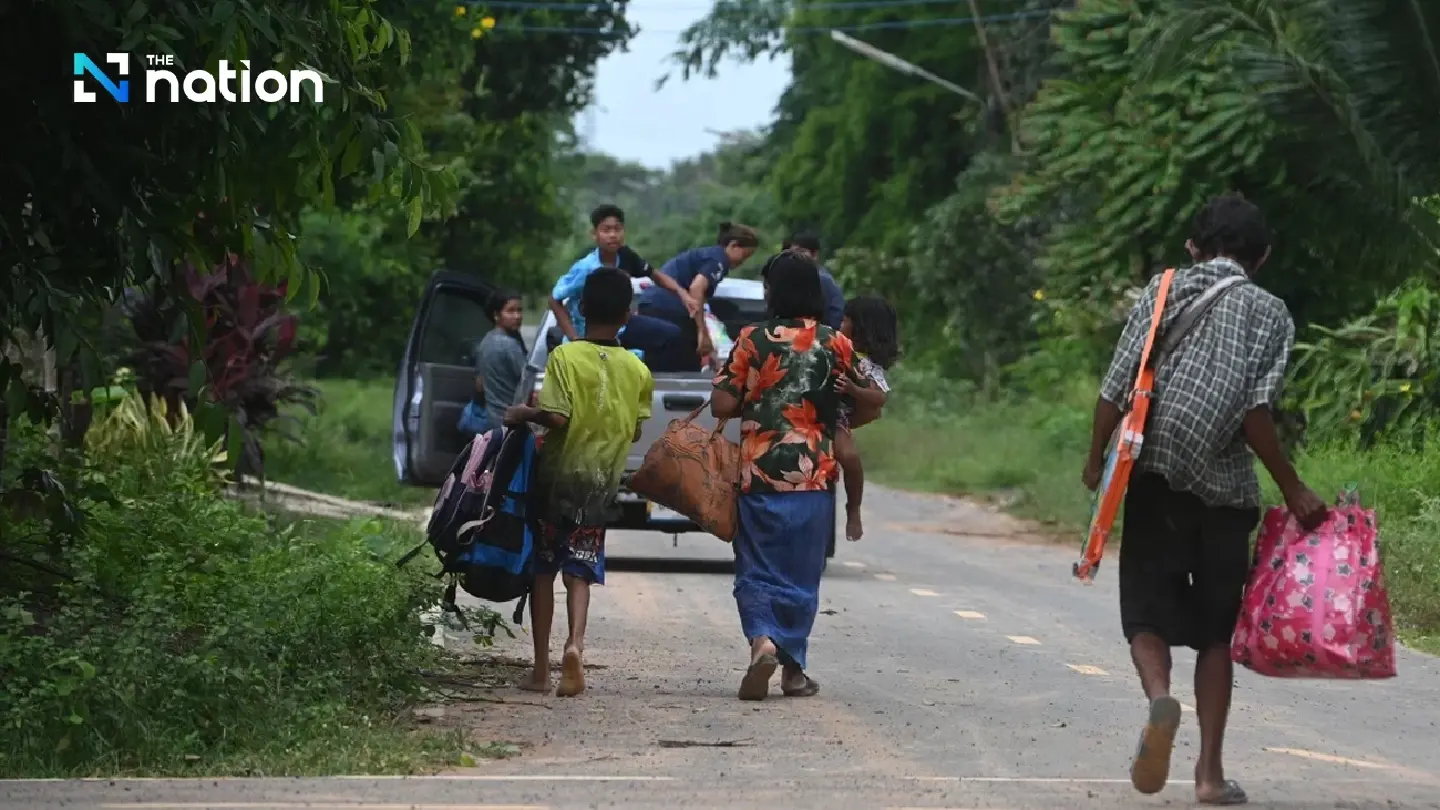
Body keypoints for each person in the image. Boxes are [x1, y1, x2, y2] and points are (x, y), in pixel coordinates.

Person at [1082, 194, 1327, 806]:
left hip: (1154, 479)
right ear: (1262, 257)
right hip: (1226, 495)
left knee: (1144, 613)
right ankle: (1209, 776)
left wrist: (1095, 462)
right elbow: (1255, 415)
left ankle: (1160, 697)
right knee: (1217, 633)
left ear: (1194, 247)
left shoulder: (1163, 291)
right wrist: (1292, 487)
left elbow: (1117, 386)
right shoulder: (1272, 314)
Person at [711, 250, 860, 702]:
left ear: (773, 291)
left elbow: (720, 405)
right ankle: (794, 673)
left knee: (757, 568)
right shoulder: (837, 343)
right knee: (801, 575)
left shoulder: (751, 340)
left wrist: (755, 402)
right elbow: (853, 402)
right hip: (814, 476)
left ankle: (762, 642)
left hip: (759, 474)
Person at [505, 268, 654, 698]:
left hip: (557, 480)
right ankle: (576, 644)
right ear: (628, 314)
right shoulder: (637, 368)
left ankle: (540, 669)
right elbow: (637, 430)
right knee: (581, 570)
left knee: (544, 569)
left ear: (582, 308)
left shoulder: (565, 358)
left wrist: (523, 414)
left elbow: (557, 417)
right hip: (601, 484)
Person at [550, 203, 688, 360]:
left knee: (670, 335)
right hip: (590, 334)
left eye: (617, 229)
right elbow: (554, 299)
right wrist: (574, 339)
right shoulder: (585, 268)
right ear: (594, 234)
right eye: (606, 230)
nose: (613, 235)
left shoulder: (626, 256)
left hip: (620, 329)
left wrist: (682, 293)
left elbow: (655, 274)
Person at [639, 222, 760, 371]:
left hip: (652, 307)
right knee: (684, 364)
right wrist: (701, 331)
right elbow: (696, 289)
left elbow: (699, 305)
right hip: (668, 309)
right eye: (745, 255)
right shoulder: (719, 260)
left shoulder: (707, 255)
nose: (743, 262)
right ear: (733, 245)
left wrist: (712, 355)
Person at [832, 295, 899, 542]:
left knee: (849, 457)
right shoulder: (832, 346)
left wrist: (853, 389)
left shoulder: (866, 363)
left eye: (846, 320)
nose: (840, 324)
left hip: (835, 415)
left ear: (860, 327)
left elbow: (878, 398)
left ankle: (853, 509)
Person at [458, 289, 527, 436]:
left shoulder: (485, 341)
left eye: (519, 310)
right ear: (496, 315)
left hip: (492, 421)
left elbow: (480, 384)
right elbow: (527, 380)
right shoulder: (509, 345)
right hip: (512, 420)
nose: (517, 316)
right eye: (510, 311)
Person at [782, 231, 845, 330]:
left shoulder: (824, 280)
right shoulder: (787, 278)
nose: (795, 257)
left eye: (800, 252)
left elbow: (836, 316)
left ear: (815, 254)